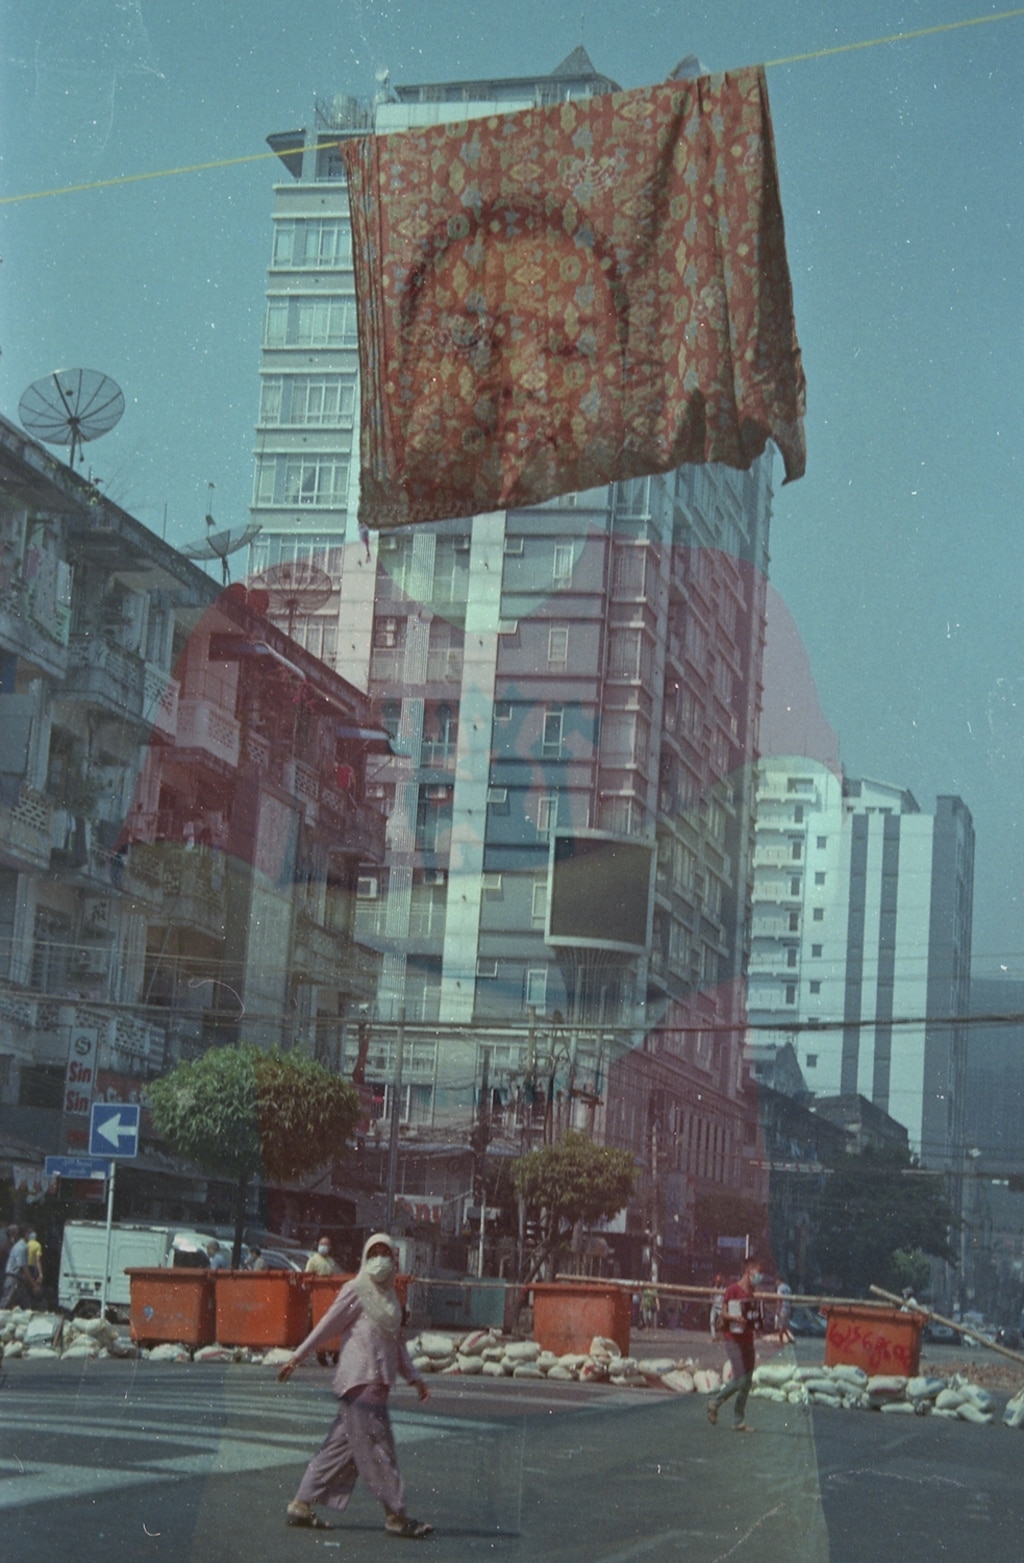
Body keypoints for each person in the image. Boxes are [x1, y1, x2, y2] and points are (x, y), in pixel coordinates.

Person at [278, 1233, 432, 1537]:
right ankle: (396, 1515)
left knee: (339, 1447)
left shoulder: (392, 1300)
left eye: (385, 1253)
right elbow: (327, 1325)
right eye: (374, 1253)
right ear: (365, 1257)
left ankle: (301, 1503)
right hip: (361, 1383)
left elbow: (397, 1346)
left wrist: (415, 1378)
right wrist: (297, 1357)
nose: (380, 1260)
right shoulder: (356, 1290)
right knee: (379, 1450)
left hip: (377, 1383)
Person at [706, 1256, 765, 1433]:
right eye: (758, 1272)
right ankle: (715, 1402)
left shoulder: (751, 1294)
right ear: (749, 1271)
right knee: (740, 1379)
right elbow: (723, 1313)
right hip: (733, 1340)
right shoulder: (732, 1289)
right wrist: (735, 1318)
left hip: (748, 1340)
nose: (760, 1276)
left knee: (746, 1382)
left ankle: (738, 1420)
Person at [1, 1225, 32, 1309]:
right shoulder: (20, 1247)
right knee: (6, 1302)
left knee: (25, 1303)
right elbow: (23, 1266)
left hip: (18, 1279)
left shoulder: (19, 1246)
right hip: (13, 1278)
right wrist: (33, 1283)